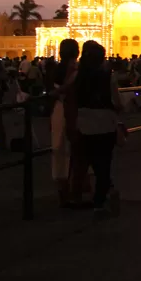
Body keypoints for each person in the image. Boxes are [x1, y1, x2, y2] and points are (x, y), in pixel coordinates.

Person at [76, 41, 124, 218]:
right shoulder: (107, 76)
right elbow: (117, 102)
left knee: (93, 161)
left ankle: (97, 194)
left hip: (84, 123)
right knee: (105, 163)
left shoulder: (77, 76)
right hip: (105, 123)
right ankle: (100, 200)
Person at [50, 39, 80, 206]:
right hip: (74, 111)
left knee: (59, 149)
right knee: (75, 149)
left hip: (59, 110)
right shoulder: (77, 70)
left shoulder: (54, 69)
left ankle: (62, 190)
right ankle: (75, 188)